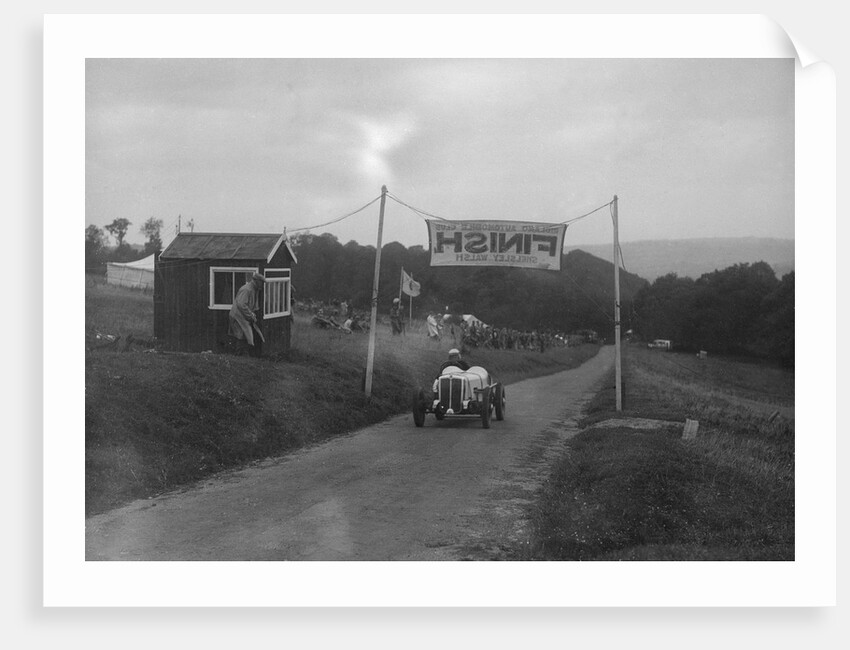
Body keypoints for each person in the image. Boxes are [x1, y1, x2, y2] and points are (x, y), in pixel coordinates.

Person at [229, 272, 265, 356]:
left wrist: (251, 315)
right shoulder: (247, 289)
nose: (263, 284)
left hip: (243, 316)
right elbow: (241, 304)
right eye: (261, 282)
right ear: (256, 281)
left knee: (245, 335)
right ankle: (240, 356)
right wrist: (250, 315)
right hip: (237, 316)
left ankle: (242, 355)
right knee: (241, 335)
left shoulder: (254, 289)